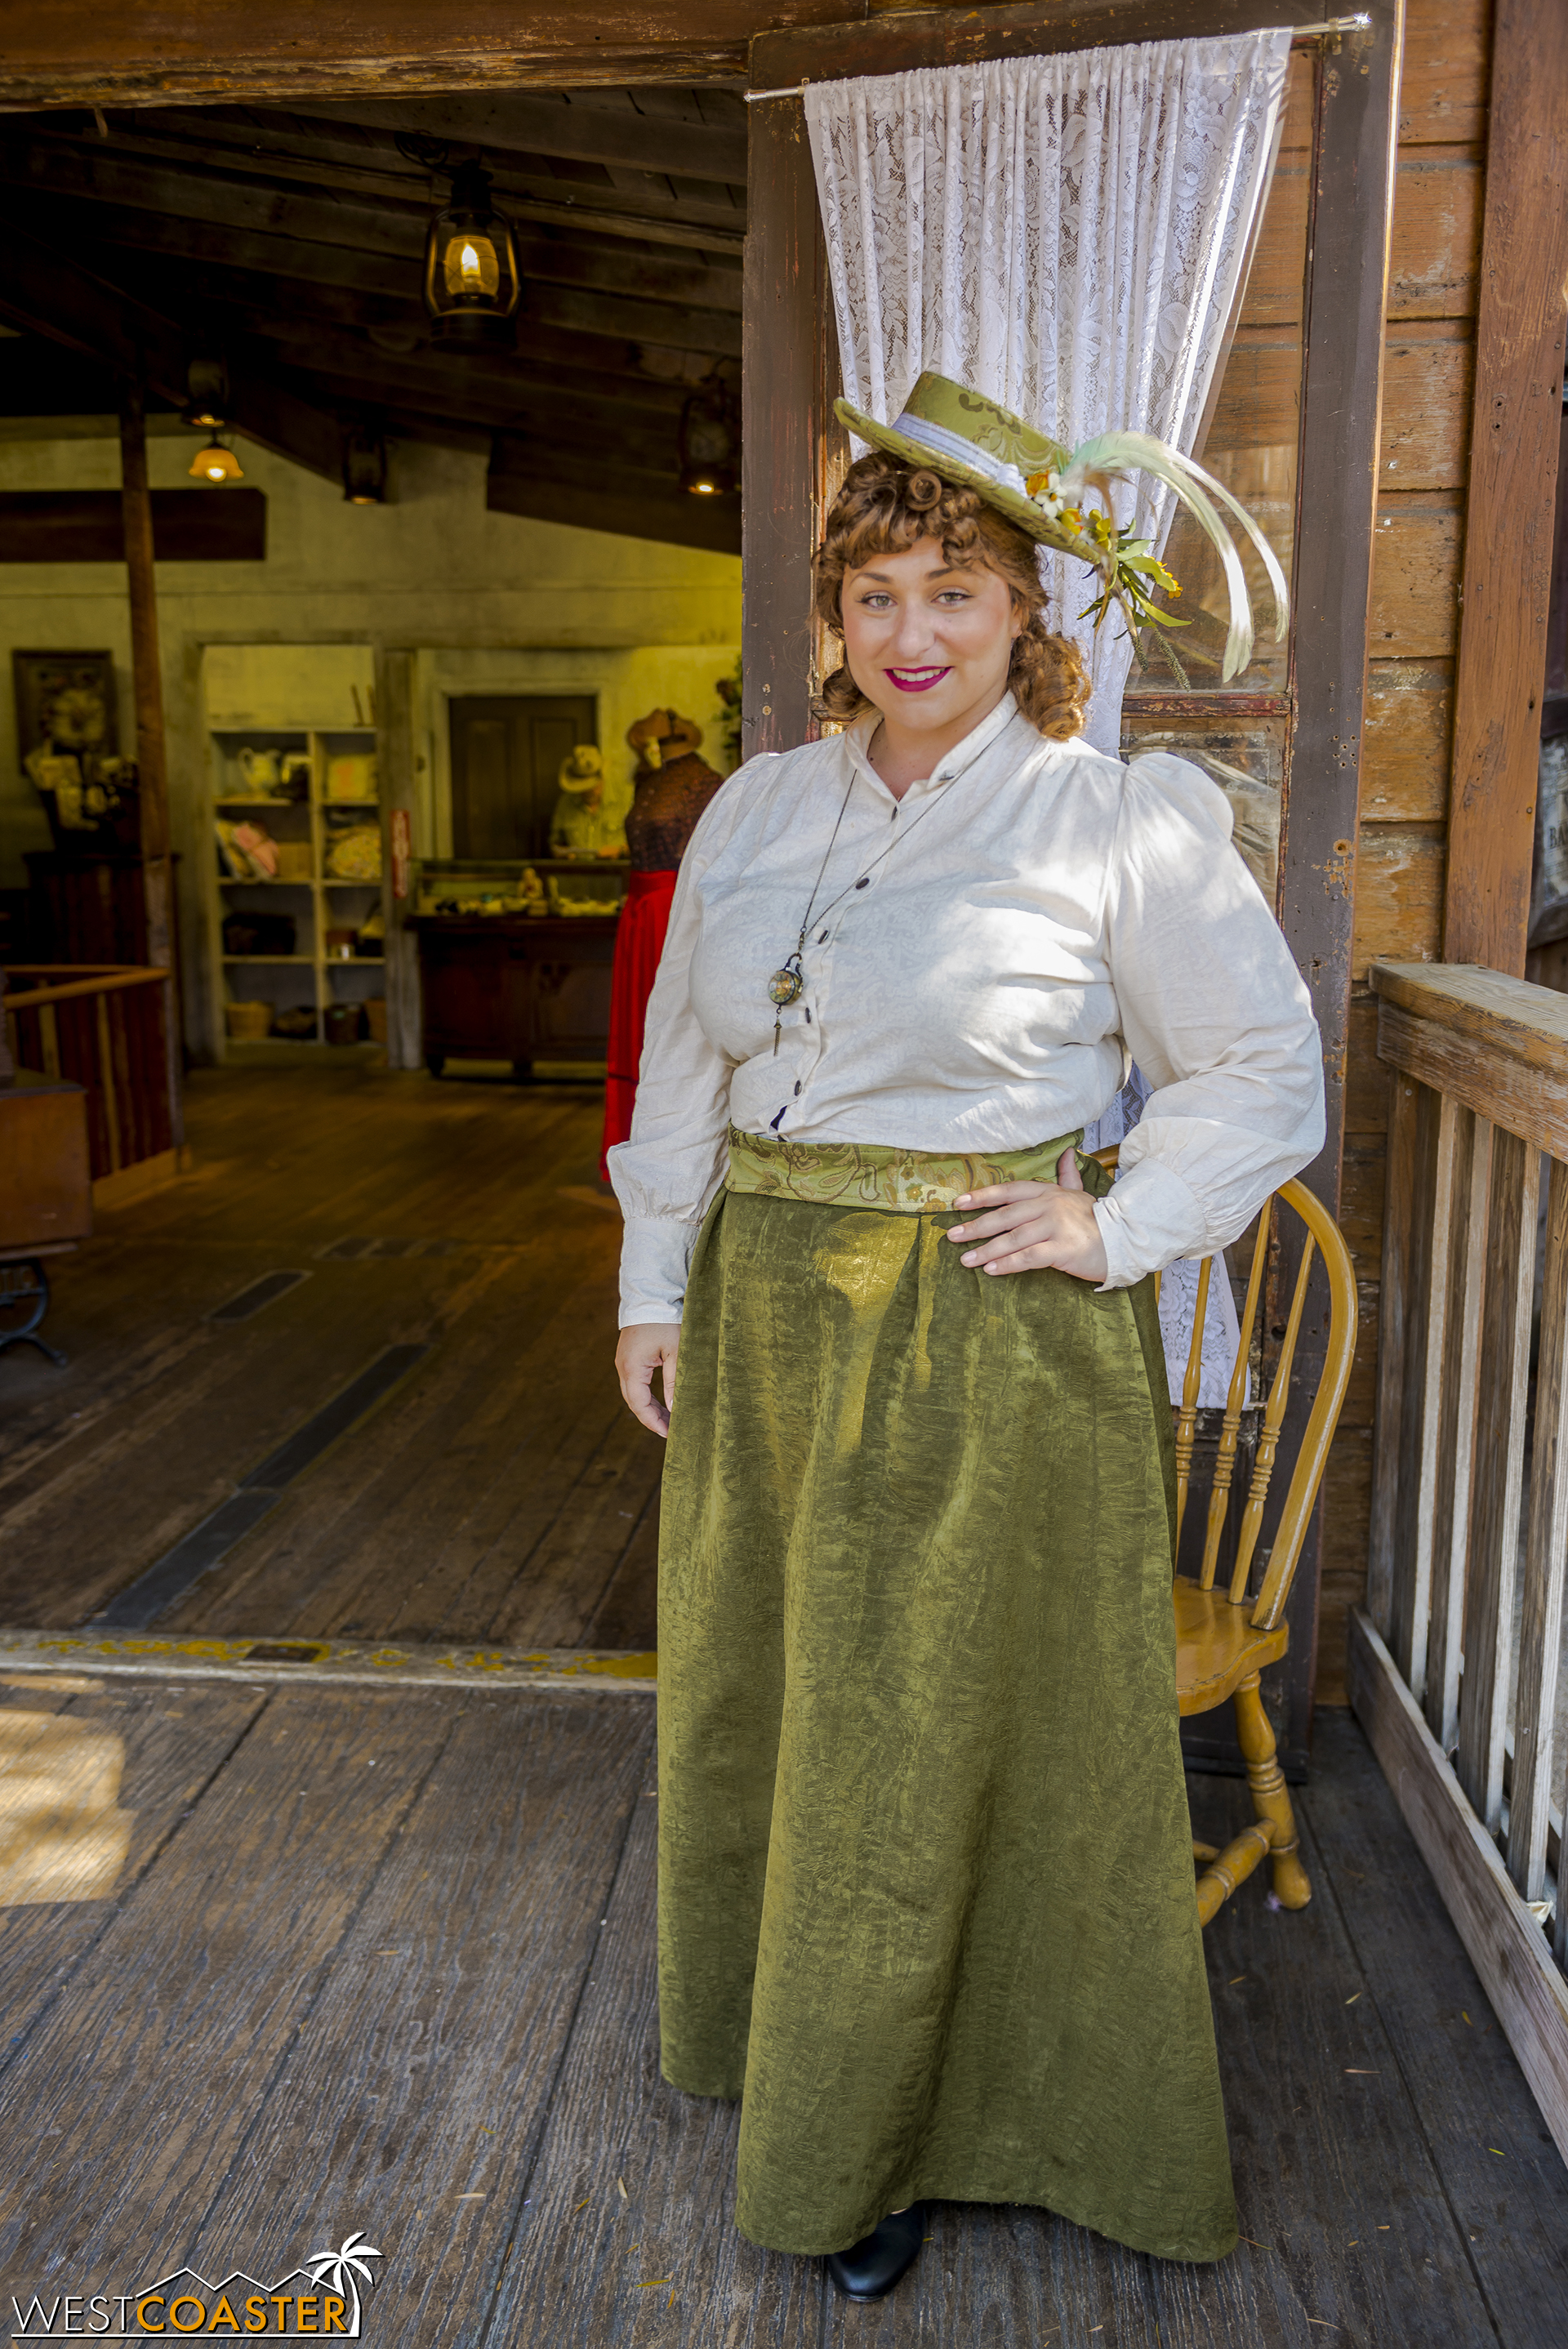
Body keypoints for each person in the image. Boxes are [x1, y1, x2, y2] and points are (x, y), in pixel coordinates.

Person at [608, 372, 1324, 2298]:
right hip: (769, 1317)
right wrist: (653, 1281)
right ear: (831, 619)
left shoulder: (1113, 817)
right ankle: (803, 2057)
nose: (908, 636)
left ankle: (909, 2124)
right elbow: (684, 1064)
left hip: (984, 1327)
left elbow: (1259, 1072)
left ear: (1028, 611)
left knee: (928, 1733)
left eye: (951, 591)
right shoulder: (763, 800)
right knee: (785, 1700)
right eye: (874, 598)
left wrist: (1115, 1216)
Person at [599, 711, 723, 1179]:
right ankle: (631, 1144)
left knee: (672, 1022)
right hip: (639, 909)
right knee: (637, 1023)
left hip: (673, 908)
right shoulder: (651, 779)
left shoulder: (707, 782)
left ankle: (676, 1148)